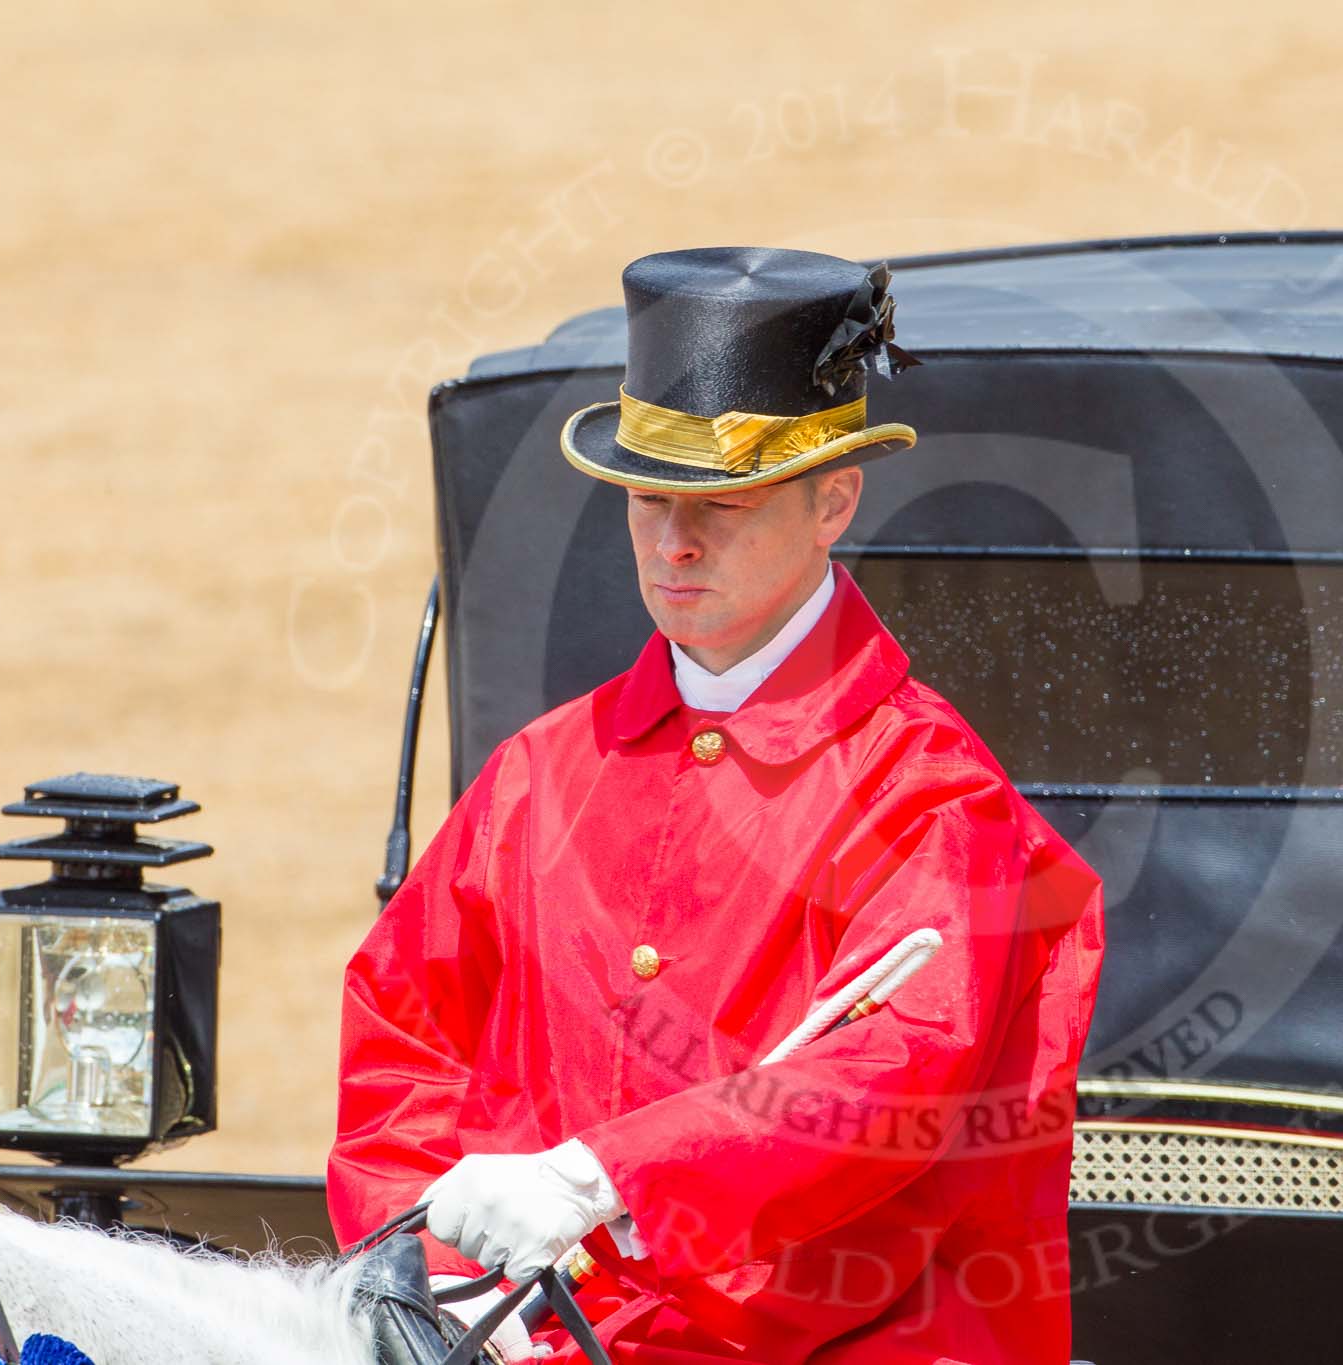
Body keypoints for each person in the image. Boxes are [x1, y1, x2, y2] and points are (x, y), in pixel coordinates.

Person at [327, 246, 1107, 1365]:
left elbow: (891, 1078)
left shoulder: (928, 794)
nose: (673, 542)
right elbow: (405, 1039)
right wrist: (428, 1281)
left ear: (832, 500)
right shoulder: (539, 775)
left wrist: (600, 1176)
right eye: (649, 499)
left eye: (722, 503)